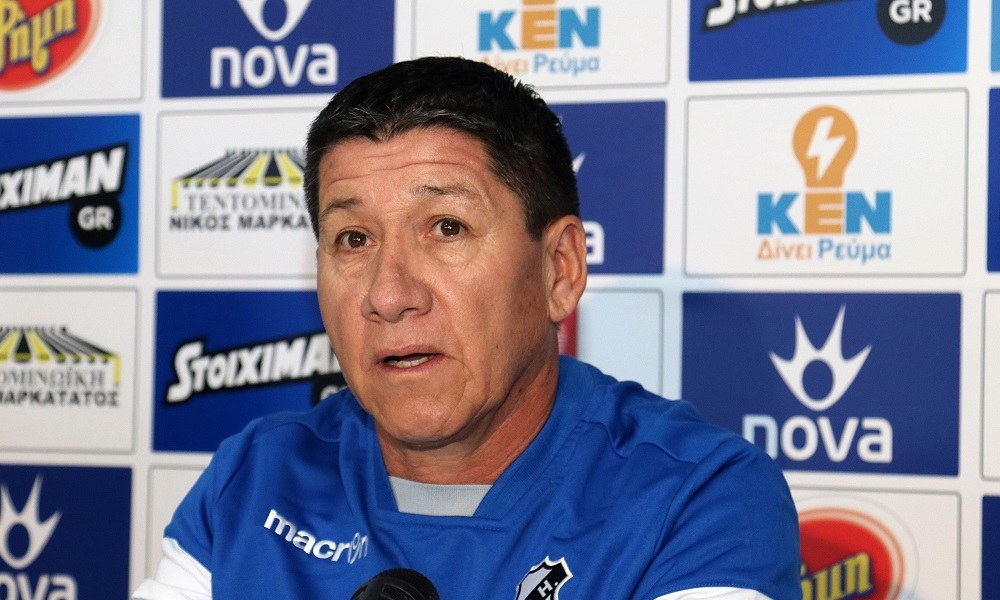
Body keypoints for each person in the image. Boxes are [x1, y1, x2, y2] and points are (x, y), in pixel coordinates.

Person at [133, 56, 800, 600]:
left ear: (559, 268)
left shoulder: (695, 498)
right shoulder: (255, 478)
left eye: (446, 228)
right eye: (354, 238)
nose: (388, 295)